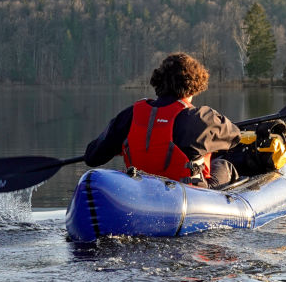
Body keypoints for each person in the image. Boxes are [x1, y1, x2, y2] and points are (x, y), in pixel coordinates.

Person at [84, 53, 241, 188]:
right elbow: (235, 137)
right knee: (224, 164)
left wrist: (120, 144)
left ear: (158, 81)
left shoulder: (130, 115)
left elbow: (92, 157)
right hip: (187, 196)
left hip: (141, 193)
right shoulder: (200, 118)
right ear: (194, 86)